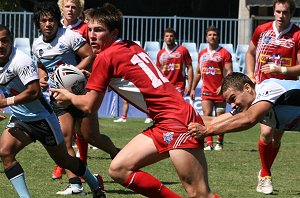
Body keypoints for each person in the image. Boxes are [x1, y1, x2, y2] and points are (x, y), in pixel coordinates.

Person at [51, 4, 220, 198]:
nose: (92, 35)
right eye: (90, 30)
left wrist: (68, 96)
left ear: (114, 33)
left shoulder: (105, 58)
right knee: (118, 168)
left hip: (176, 122)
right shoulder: (130, 45)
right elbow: (126, 75)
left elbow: (89, 106)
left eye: (99, 30)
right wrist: (97, 77)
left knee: (200, 195)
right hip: (168, 120)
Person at [0, 24, 105, 198]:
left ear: (11, 42)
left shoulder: (21, 60)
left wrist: (5, 101)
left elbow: (34, 91)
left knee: (64, 160)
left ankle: (94, 183)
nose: (1, 45)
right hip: (20, 118)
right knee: (5, 152)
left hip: (42, 119)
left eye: (4, 41)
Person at [32, 2, 119, 195]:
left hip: (80, 92)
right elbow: (40, 64)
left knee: (91, 137)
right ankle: (76, 184)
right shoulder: (37, 44)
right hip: (59, 98)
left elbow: (89, 55)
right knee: (64, 140)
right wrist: (42, 77)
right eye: (43, 20)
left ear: (57, 20)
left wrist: (70, 74)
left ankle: (117, 154)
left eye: (51, 20)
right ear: (38, 23)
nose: (48, 24)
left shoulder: (70, 36)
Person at [187, 72, 300, 192]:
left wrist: (207, 131)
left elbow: (249, 119)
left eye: (233, 98)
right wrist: (185, 120)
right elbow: (216, 121)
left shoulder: (270, 88)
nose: (233, 105)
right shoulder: (251, 104)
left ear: (247, 88)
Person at [245, 0, 300, 194]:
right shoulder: (262, 30)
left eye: (284, 12)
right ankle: (266, 176)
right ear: (273, 11)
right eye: (277, 11)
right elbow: (250, 53)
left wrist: (281, 68)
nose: (280, 15)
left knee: (276, 138)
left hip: (287, 91)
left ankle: (264, 170)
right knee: (266, 133)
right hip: (264, 88)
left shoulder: (298, 34)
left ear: (291, 13)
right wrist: (251, 75)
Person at [190, 25, 232, 151]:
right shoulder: (202, 54)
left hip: (220, 91)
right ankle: (209, 144)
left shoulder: (224, 53)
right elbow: (198, 72)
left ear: (218, 37)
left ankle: (220, 142)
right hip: (206, 90)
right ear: (206, 37)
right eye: (210, 34)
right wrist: (192, 88)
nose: (212, 37)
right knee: (206, 116)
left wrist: (223, 86)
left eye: (214, 34)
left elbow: (229, 72)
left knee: (220, 118)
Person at [157, 27, 193, 96]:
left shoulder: (183, 50)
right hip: (165, 86)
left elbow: (190, 68)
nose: (169, 38)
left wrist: (189, 86)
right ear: (164, 38)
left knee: (175, 106)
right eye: (167, 36)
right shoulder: (160, 53)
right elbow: (158, 70)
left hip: (178, 86)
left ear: (175, 37)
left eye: (171, 36)